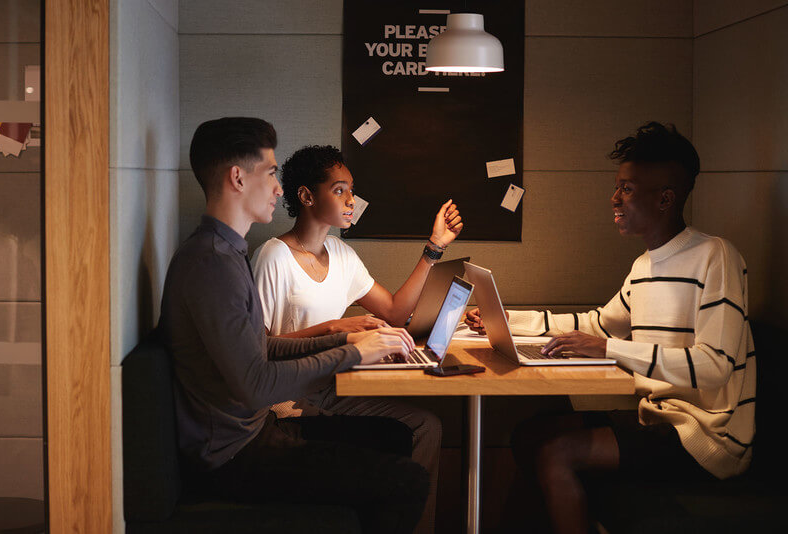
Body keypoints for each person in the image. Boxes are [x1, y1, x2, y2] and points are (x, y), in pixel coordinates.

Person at [465, 122, 756, 534]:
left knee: (555, 453)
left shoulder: (716, 256)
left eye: (627, 189)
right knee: (530, 434)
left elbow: (714, 366)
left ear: (665, 198)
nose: (614, 199)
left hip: (705, 436)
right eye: (617, 187)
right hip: (657, 417)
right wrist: (509, 320)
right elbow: (598, 324)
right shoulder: (645, 265)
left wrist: (607, 349)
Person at [159, 117, 429, 534]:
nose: (278, 188)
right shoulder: (212, 264)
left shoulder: (226, 253)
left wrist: (346, 338)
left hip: (253, 432)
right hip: (233, 455)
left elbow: (262, 347)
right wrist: (353, 352)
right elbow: (257, 384)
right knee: (407, 481)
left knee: (395, 437)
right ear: (237, 178)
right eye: (270, 173)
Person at [251, 144, 463, 534]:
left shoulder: (341, 253)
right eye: (340, 190)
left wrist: (435, 248)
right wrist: (336, 328)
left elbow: (394, 312)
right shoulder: (272, 257)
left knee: (427, 426)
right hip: (288, 400)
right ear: (306, 196)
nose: (352, 200)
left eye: (352, 190)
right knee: (407, 434)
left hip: (334, 388)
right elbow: (258, 348)